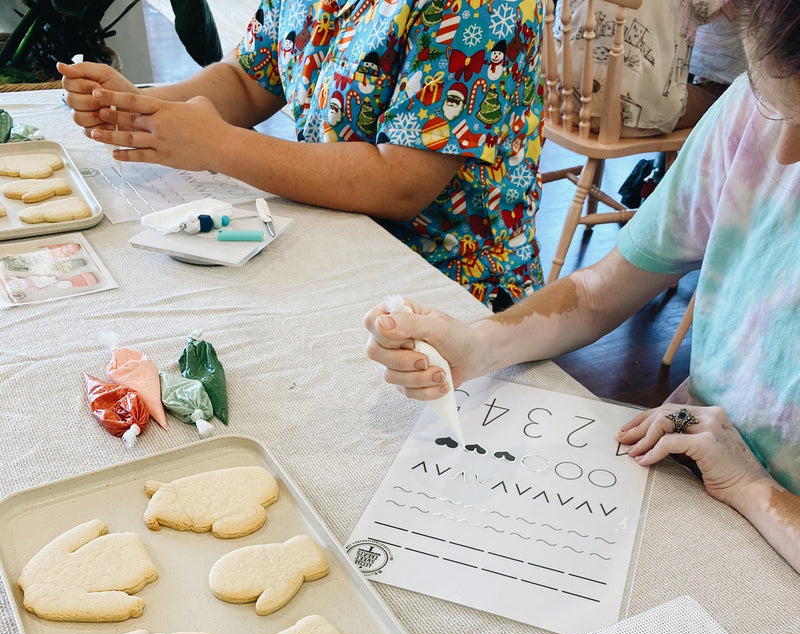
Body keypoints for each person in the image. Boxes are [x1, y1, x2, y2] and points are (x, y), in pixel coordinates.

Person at [364, 0, 800, 573]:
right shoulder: (751, 117)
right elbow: (601, 290)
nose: (785, 153)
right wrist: (480, 345)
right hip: (686, 472)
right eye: (780, 109)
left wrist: (752, 485)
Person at [58, 1, 545, 309]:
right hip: (336, 233)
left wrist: (217, 145)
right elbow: (248, 79)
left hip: (449, 282)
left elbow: (400, 183)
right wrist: (145, 105)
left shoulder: (484, 8)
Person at [555, 0, 727, 137]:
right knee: (726, 104)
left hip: (559, 100)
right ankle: (668, 178)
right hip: (633, 121)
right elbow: (715, 10)